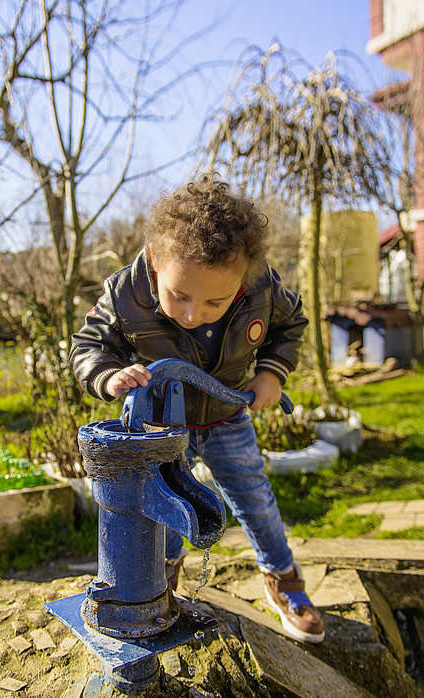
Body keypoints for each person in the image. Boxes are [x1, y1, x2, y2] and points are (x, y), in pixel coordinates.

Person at [69, 174, 325, 644]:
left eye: (215, 301)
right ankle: (160, 582)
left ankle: (283, 580)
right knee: (162, 508)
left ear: (242, 280)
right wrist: (107, 375)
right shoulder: (126, 292)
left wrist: (271, 373)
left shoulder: (261, 285)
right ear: (155, 261)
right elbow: (88, 344)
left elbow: (291, 323)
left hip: (227, 417)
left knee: (254, 497)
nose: (192, 314)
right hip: (163, 428)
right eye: (179, 295)